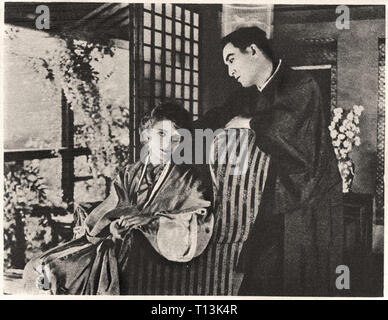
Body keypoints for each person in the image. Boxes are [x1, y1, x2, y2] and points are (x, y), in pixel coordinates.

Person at [196, 26, 343, 296]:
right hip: (268, 200)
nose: (230, 71)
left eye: (231, 60)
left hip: (308, 198)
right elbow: (216, 118)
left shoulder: (302, 85)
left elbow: (284, 128)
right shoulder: (247, 94)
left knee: (303, 278)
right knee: (262, 277)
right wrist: (178, 132)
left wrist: (248, 122)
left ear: (252, 50)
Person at [23, 102, 214, 295]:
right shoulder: (130, 173)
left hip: (146, 253)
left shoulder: (189, 179)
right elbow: (112, 206)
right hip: (112, 240)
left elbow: (195, 220)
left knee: (62, 272)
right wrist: (113, 223)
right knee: (38, 265)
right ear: (147, 134)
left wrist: (152, 221)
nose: (166, 145)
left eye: (175, 139)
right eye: (161, 134)